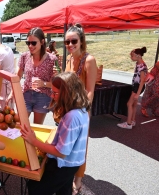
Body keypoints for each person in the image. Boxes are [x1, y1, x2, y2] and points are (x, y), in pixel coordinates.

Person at [20, 72, 91, 195]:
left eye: (55, 93)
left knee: (36, 188)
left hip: (63, 165)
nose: (52, 96)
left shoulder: (72, 117)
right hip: (72, 163)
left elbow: (61, 152)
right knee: (64, 190)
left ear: (68, 93)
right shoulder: (81, 110)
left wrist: (34, 141)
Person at [64, 23, 97, 194]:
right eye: (67, 42)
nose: (70, 45)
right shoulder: (69, 59)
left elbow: (90, 91)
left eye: (73, 41)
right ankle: (70, 174)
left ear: (81, 40)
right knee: (68, 144)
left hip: (82, 110)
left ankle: (78, 179)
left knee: (80, 146)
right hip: (68, 110)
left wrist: (83, 112)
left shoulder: (89, 60)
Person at [9, 27, 57, 124]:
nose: (30, 46)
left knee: (37, 127)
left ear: (42, 42)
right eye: (28, 43)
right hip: (26, 93)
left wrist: (43, 83)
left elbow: (56, 85)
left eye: (33, 43)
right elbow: (17, 77)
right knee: (20, 124)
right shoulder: (24, 56)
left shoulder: (52, 59)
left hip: (43, 96)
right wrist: (11, 93)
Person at [117, 47, 148, 129]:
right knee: (133, 104)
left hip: (137, 87)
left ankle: (129, 123)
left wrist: (137, 94)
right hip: (136, 86)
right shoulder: (138, 63)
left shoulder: (142, 66)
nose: (131, 57)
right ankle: (133, 120)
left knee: (129, 104)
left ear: (138, 55)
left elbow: (142, 81)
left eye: (132, 56)